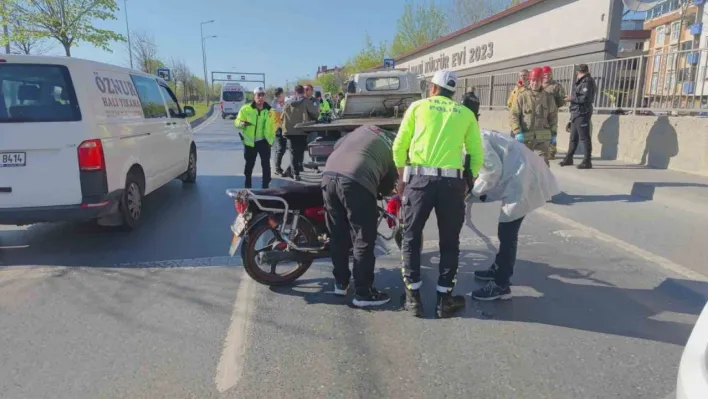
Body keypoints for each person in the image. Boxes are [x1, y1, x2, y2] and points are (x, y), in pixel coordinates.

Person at [392, 69, 484, 319]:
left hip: (420, 181)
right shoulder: (465, 114)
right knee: (449, 241)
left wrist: (401, 179)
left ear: (433, 88)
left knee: (411, 237)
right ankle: (445, 300)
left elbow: (399, 145)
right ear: (453, 93)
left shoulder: (417, 107)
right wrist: (468, 182)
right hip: (452, 184)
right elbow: (476, 153)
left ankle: (413, 298)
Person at [460, 92, 560, 301]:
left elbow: (492, 173)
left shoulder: (476, 139)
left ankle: (502, 283)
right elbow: (491, 175)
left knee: (507, 231)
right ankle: (498, 268)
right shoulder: (476, 136)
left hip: (524, 180)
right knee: (506, 229)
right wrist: (478, 195)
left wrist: (471, 194)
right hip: (518, 177)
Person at [321, 125, 398, 307]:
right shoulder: (395, 144)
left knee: (338, 235)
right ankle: (363, 293)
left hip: (328, 177)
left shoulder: (363, 130)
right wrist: (381, 192)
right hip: (356, 180)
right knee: (363, 237)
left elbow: (337, 146)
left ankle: (341, 283)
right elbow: (388, 184)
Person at [510, 67, 558, 166]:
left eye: (537, 81)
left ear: (541, 81)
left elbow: (553, 117)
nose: (535, 83)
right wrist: (517, 131)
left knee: (542, 165)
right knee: (524, 166)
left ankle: (543, 182)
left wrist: (553, 133)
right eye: (533, 80)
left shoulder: (548, 98)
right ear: (530, 81)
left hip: (542, 140)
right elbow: (514, 115)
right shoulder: (522, 97)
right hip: (525, 138)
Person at [235, 87, 276, 189]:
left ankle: (265, 186)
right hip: (250, 143)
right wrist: (242, 123)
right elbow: (236, 122)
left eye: (263, 95)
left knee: (266, 165)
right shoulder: (246, 109)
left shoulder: (270, 111)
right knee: (249, 165)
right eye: (258, 95)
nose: (261, 97)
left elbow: (274, 126)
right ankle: (248, 182)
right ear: (254, 96)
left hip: (264, 142)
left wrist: (271, 141)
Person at [560, 64, 596, 169]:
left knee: (584, 138)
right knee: (573, 137)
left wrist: (571, 98)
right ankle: (569, 158)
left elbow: (584, 98)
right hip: (576, 112)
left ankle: (587, 161)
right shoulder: (583, 81)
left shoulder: (587, 82)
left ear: (577, 73)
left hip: (582, 112)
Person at [281, 84, 319, 181]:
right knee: (300, 152)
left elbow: (281, 117)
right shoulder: (306, 101)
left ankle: (295, 173)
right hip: (302, 129)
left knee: (293, 152)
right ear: (303, 91)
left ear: (295, 92)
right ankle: (295, 171)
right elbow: (315, 113)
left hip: (289, 131)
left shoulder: (288, 102)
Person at [542, 66, 567, 160]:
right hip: (540, 114)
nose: (546, 76)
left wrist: (554, 106)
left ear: (551, 74)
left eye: (548, 74)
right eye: (545, 74)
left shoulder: (556, 86)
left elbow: (562, 100)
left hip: (551, 114)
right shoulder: (538, 84)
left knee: (552, 133)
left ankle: (551, 152)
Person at [271, 87, 287, 176]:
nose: (284, 95)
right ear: (280, 94)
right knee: (280, 149)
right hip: (278, 128)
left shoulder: (279, 102)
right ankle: (277, 168)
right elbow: (277, 116)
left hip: (282, 128)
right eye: (283, 93)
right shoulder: (275, 103)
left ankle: (278, 167)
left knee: (282, 148)